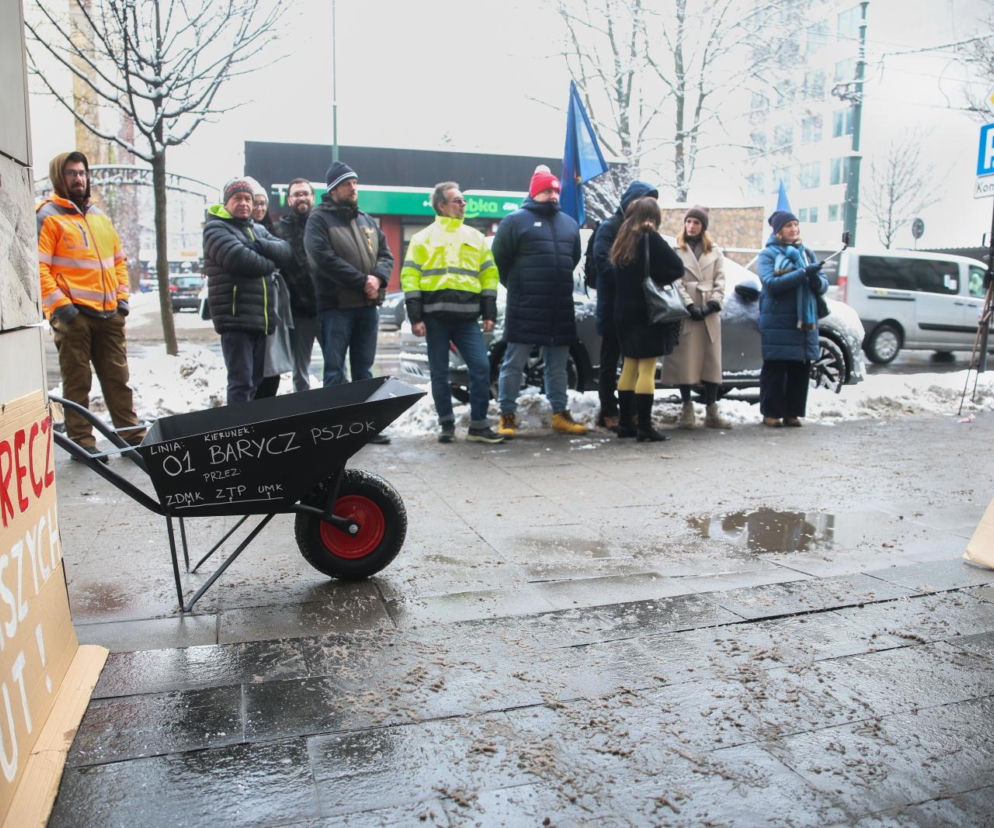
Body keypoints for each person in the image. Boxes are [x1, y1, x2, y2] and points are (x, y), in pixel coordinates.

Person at [37, 150, 147, 460]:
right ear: (60, 177)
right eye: (72, 173)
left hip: (109, 313)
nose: (79, 178)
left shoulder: (99, 216)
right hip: (74, 316)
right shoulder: (47, 216)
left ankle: (131, 436)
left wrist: (122, 301)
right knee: (77, 382)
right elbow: (39, 267)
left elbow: (119, 261)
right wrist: (62, 309)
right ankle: (82, 442)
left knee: (118, 379)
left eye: (82, 173)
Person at [401, 183, 503, 444]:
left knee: (481, 367)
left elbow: (489, 275)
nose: (463, 205)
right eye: (457, 200)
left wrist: (488, 312)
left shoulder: (476, 238)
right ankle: (446, 425)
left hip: (468, 318)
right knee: (439, 373)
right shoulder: (422, 238)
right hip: (435, 318)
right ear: (441, 206)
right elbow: (410, 277)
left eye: (463, 201)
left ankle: (478, 425)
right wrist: (416, 317)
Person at [493, 165, 586, 437]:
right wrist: (518, 286)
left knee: (558, 364)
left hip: (559, 305)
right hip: (525, 305)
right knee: (513, 362)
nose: (553, 194)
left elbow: (573, 258)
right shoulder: (515, 221)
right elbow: (500, 259)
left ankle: (560, 413)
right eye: (547, 190)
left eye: (555, 190)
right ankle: (507, 414)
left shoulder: (569, 224)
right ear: (534, 192)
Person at [304, 161, 394, 444]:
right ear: (333, 189)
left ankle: (365, 427)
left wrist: (378, 278)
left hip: (367, 307)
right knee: (334, 371)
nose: (353, 188)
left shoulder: (366, 220)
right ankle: (334, 430)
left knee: (364, 372)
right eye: (346, 183)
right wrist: (362, 281)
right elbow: (322, 258)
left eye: (355, 182)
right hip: (336, 308)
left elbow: (386, 255)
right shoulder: (318, 219)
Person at [203, 177, 291, 405]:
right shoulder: (215, 228)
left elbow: (286, 251)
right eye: (237, 198)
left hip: (260, 320)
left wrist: (260, 246)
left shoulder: (257, 230)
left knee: (255, 381)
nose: (243, 203)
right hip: (236, 319)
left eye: (248, 199)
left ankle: (251, 430)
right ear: (226, 202)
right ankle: (238, 432)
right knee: (241, 383)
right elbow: (239, 259)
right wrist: (271, 264)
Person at [609, 197, 684, 442]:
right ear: (653, 217)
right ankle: (644, 426)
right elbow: (676, 268)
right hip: (647, 312)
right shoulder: (650, 238)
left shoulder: (622, 238)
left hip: (622, 312)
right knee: (647, 370)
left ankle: (625, 424)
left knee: (629, 366)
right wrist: (659, 276)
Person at [590, 180, 659, 431]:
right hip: (612, 304)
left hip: (635, 307)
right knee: (610, 361)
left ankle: (630, 412)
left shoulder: (645, 230)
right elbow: (602, 261)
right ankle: (608, 409)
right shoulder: (610, 227)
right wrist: (629, 280)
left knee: (632, 361)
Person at [756, 210, 828, 428]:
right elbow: (771, 284)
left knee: (799, 368)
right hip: (778, 319)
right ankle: (771, 412)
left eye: (796, 225)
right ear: (778, 231)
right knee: (776, 368)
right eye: (788, 225)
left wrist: (815, 278)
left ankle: (792, 412)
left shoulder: (807, 253)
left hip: (804, 320)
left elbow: (823, 284)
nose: (794, 229)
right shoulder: (767, 255)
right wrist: (803, 273)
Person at [663, 205, 732, 430]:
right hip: (687, 311)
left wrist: (713, 303)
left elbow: (721, 280)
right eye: (689, 222)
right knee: (686, 360)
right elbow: (675, 282)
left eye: (696, 223)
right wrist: (690, 305)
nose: (691, 226)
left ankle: (712, 409)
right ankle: (687, 408)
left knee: (711, 362)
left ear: (703, 227)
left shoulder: (715, 251)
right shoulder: (676, 249)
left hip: (710, 312)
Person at [246, 178, 293, 398]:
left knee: (273, 364)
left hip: (273, 307)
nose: (260, 208)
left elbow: (285, 256)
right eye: (256, 202)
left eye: (263, 203)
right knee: (253, 368)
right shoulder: (238, 231)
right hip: (251, 308)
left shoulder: (274, 231)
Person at [275, 177, 319, 392]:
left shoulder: (323, 224)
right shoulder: (279, 230)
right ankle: (307, 414)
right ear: (289, 199)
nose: (301, 197)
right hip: (298, 311)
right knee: (300, 373)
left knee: (336, 368)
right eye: (296, 194)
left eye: (305, 193)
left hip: (329, 307)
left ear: (312, 197)